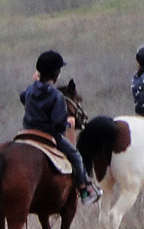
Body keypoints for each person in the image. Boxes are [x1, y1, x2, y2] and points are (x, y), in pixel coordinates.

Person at [21, 50, 98, 203]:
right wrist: (67, 123)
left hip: (26, 133)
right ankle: (84, 190)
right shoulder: (56, 96)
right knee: (76, 156)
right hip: (47, 135)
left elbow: (22, 97)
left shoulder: (30, 90)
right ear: (56, 74)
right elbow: (58, 125)